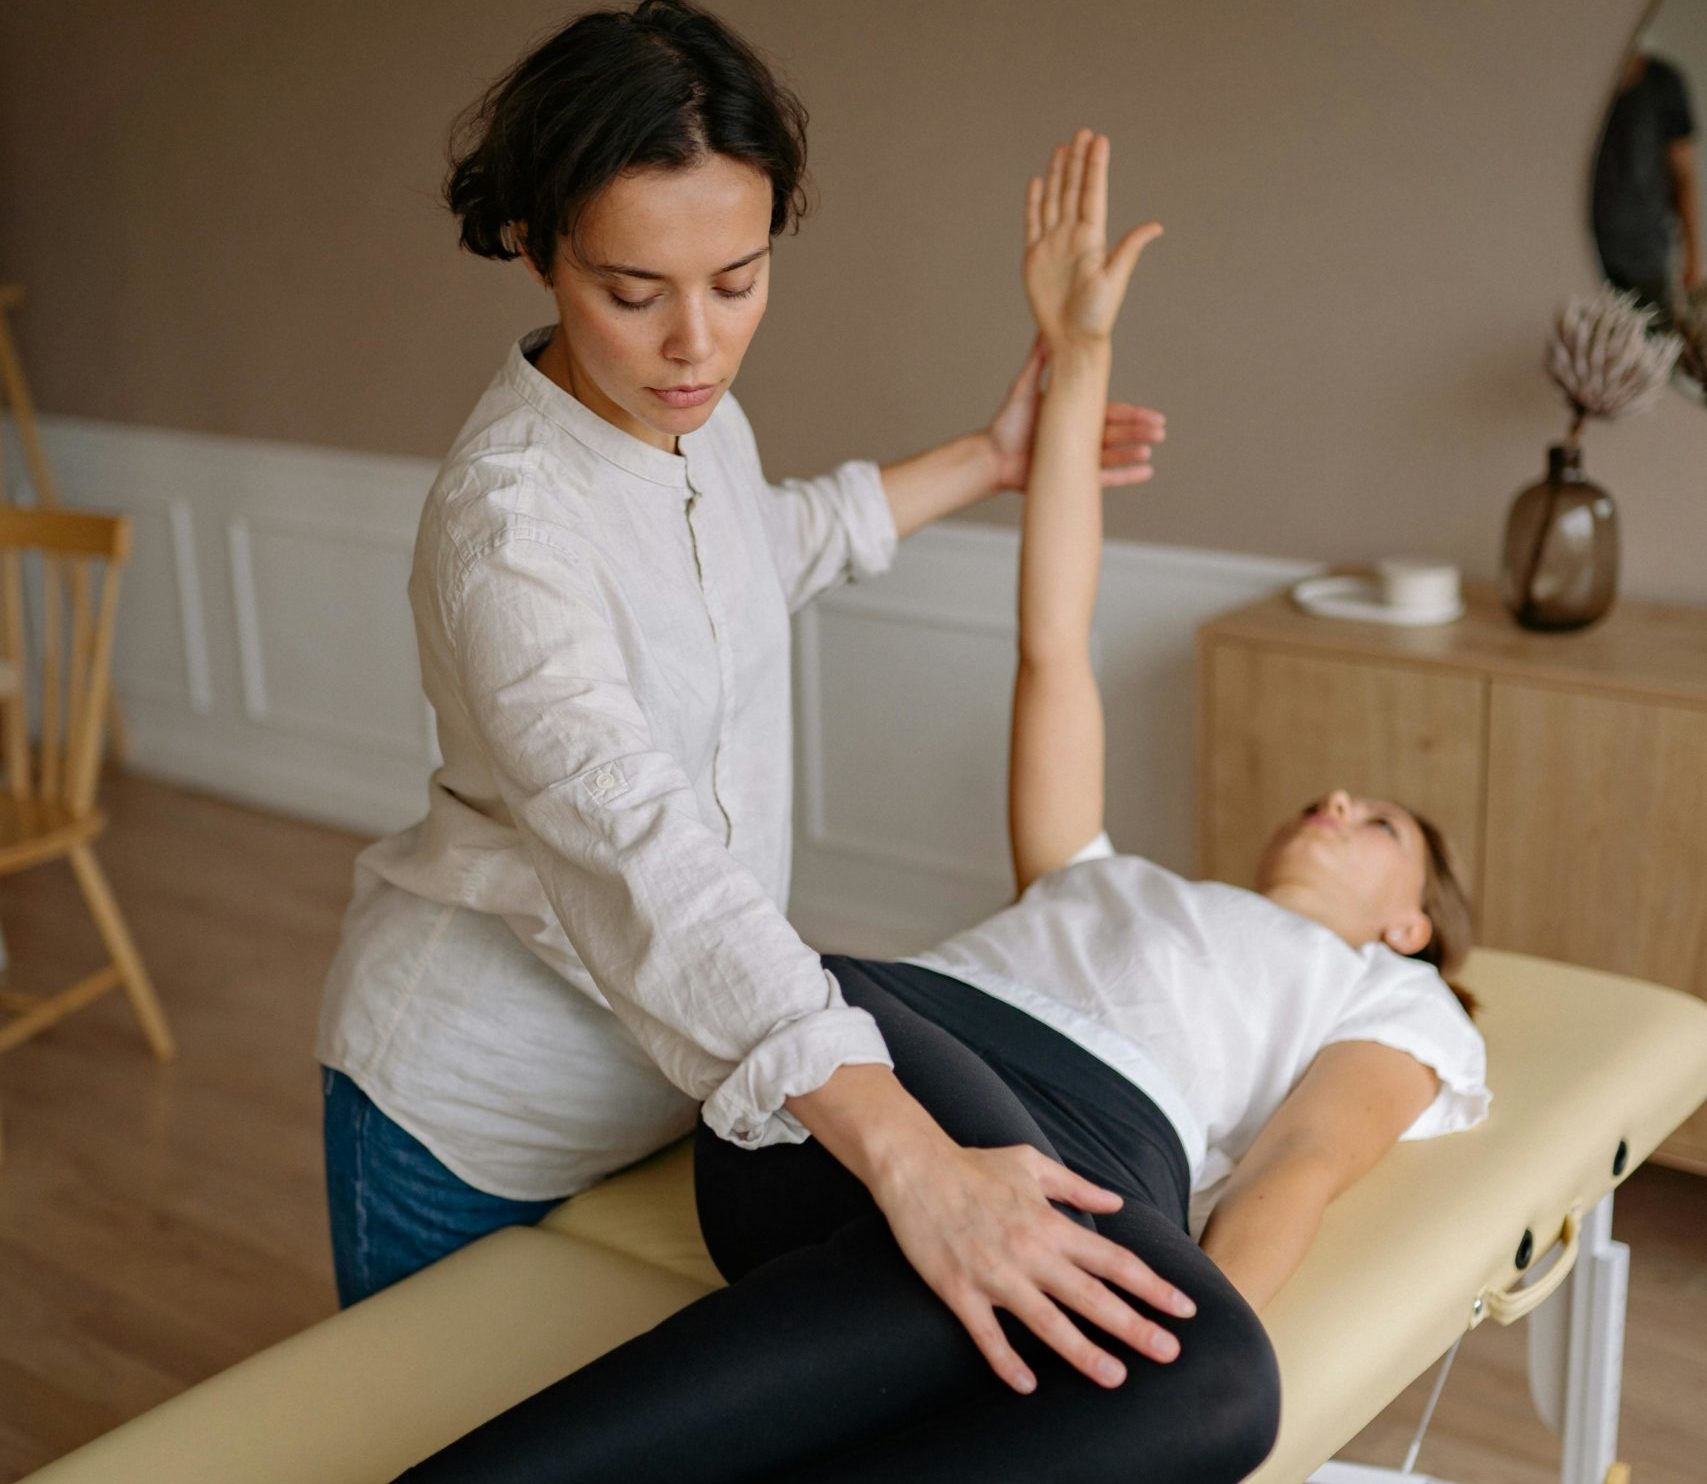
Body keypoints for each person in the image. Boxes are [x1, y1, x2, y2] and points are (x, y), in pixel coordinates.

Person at [396, 129, 1490, 1484]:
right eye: (637, 291)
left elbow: (1295, 1176)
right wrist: (1077, 358)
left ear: (1409, 929)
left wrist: (1174, 1342)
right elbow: (1054, 646)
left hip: (1097, 1142)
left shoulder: (1387, 1005)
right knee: (1194, 1372)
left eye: (1381, 825)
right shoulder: (1099, 868)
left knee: (1213, 1385)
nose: (1336, 802)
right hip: (860, 1065)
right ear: (544, 253)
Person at [314, 0, 1174, 1398]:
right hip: (469, 1121)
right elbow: (639, 848)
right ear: (536, 246)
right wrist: (913, 1158)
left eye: (739, 279)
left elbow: (774, 544)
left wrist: (992, 453)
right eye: (633, 291)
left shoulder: (687, 416)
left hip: (669, 1091)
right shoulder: (509, 529)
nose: (695, 345)